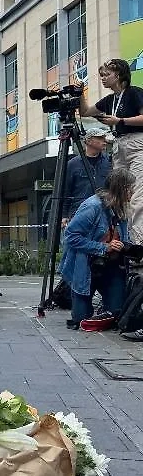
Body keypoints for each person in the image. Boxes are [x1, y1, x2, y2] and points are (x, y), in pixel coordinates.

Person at [77, 59, 143, 242]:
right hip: (119, 145)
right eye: (102, 75)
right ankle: (126, 239)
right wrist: (80, 94)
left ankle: (139, 242)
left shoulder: (134, 93)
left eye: (107, 74)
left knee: (138, 194)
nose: (103, 78)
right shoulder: (109, 100)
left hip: (137, 143)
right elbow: (85, 112)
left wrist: (120, 121)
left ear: (119, 75)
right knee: (120, 193)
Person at [59, 169, 134, 330]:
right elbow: (70, 236)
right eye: (129, 188)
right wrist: (103, 247)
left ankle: (106, 309)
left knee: (116, 314)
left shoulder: (120, 209)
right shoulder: (92, 207)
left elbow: (124, 237)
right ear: (120, 189)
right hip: (86, 266)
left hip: (111, 266)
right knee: (81, 319)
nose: (132, 192)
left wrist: (126, 247)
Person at [62, 127, 113, 226]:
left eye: (104, 137)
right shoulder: (73, 164)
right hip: (79, 212)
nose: (104, 141)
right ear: (89, 141)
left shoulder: (109, 161)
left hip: (104, 212)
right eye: (100, 138)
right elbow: (66, 190)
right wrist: (64, 215)